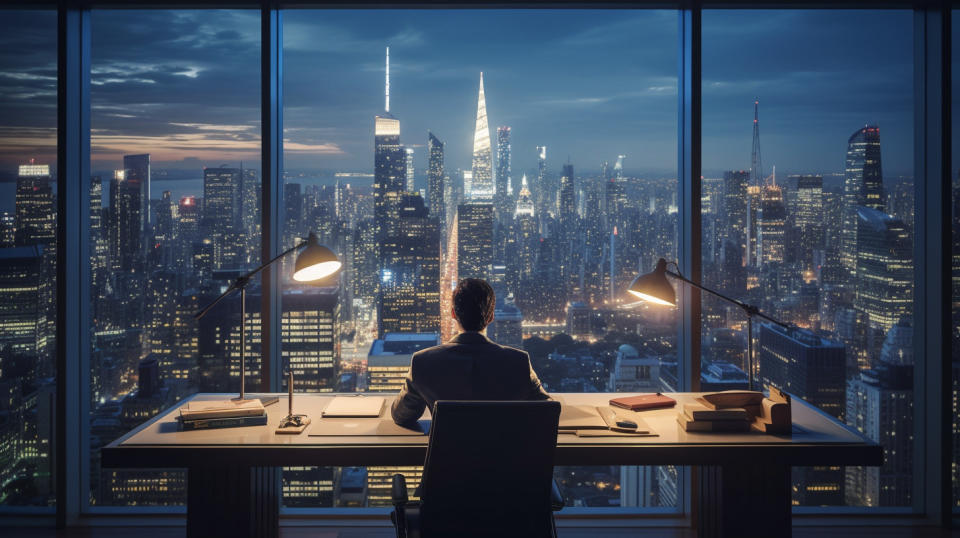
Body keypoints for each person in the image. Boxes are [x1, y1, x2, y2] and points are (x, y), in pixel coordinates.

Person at [391, 278, 550, 426]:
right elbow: (547, 411)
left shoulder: (423, 362)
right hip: (504, 455)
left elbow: (401, 416)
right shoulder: (518, 362)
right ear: (491, 317)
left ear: (453, 314)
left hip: (448, 455)